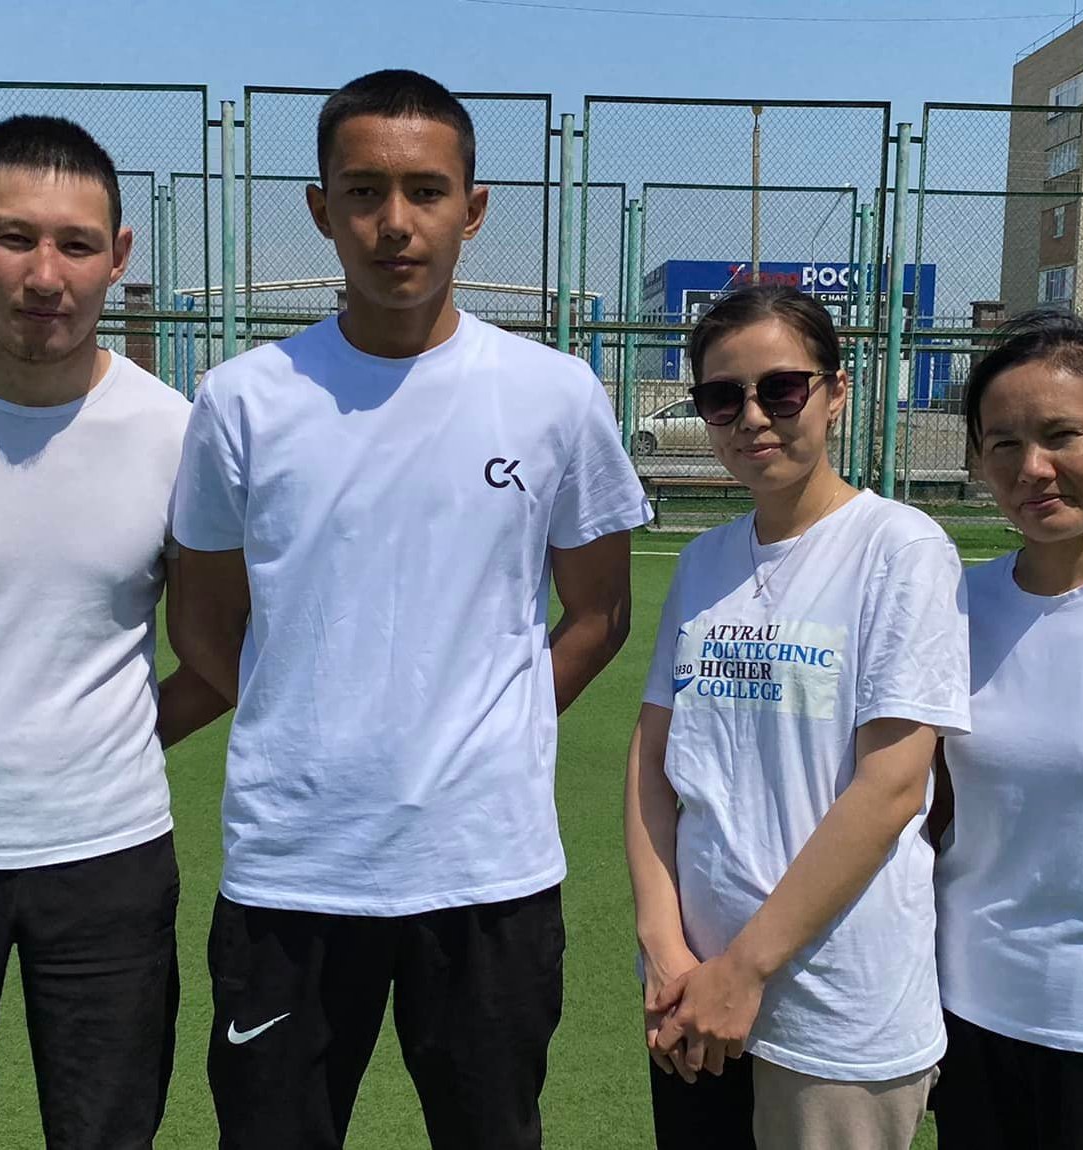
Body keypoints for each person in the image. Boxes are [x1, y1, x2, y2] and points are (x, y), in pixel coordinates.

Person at [172, 69, 651, 1149]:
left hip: (485, 869)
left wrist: (497, 726)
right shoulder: (243, 399)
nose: (395, 222)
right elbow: (200, 624)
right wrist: (308, 724)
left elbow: (599, 612)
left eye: (426, 191)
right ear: (321, 208)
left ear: (471, 210)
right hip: (292, 872)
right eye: (364, 191)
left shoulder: (555, 394)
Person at [625, 284, 970, 1150]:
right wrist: (664, 947)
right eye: (722, 397)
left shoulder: (901, 548)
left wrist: (744, 971)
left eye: (782, 389)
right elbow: (654, 762)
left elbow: (892, 788)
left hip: (834, 1013)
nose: (753, 417)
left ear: (837, 391)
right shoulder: (704, 561)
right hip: (693, 996)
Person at [0, 115, 227, 1150]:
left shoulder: (176, 434)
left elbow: (220, 652)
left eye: (75, 244)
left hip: (108, 853)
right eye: (13, 237)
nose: (44, 275)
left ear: (117, 257)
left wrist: (109, 738)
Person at [932, 310, 1083, 1149]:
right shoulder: (950, 607)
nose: (1033, 468)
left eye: (1062, 435)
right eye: (1003, 443)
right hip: (971, 1014)